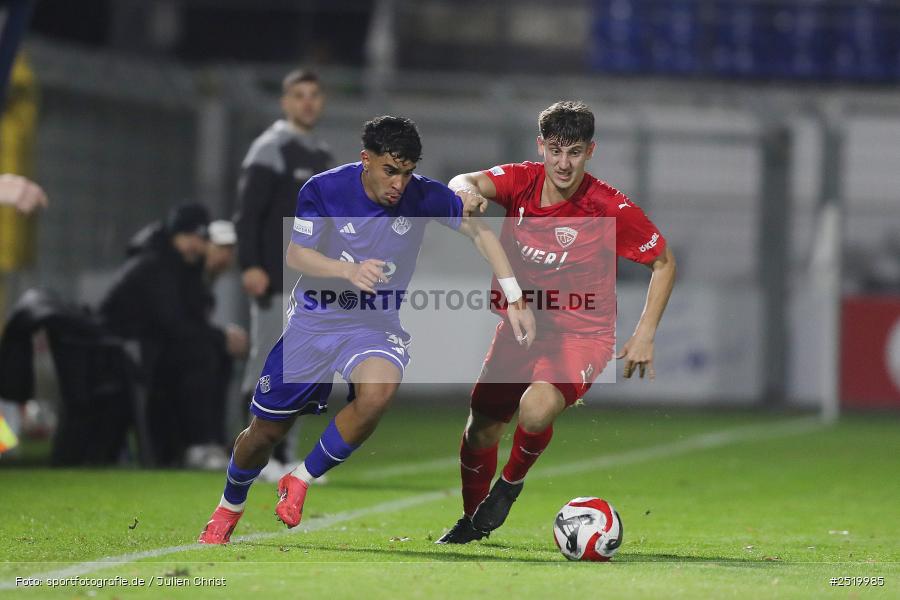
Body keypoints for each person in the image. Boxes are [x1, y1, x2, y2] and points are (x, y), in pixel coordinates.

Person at [198, 115, 535, 544]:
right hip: (315, 318)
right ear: (366, 160)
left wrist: (515, 296)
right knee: (264, 432)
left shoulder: (421, 195)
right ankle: (229, 507)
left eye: (407, 173)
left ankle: (300, 479)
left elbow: (482, 234)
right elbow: (297, 255)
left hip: (374, 323)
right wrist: (347, 270)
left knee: (378, 392)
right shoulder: (323, 189)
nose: (399, 184)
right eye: (389, 171)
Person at [435, 101, 677, 544]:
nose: (564, 164)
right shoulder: (521, 180)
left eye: (576, 153)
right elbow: (464, 180)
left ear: (591, 152)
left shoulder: (607, 205)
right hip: (521, 330)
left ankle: (509, 486)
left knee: (535, 407)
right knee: (479, 432)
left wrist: (644, 333)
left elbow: (663, 262)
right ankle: (473, 522)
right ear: (541, 146)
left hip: (582, 335)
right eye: (556, 151)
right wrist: (465, 191)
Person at [235, 69, 334, 472]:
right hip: (274, 277)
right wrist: (251, 264)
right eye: (299, 95)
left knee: (299, 369)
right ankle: (254, 456)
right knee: (264, 367)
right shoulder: (270, 148)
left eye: (314, 94)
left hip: (306, 282)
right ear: (286, 102)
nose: (307, 102)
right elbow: (249, 215)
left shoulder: (320, 155)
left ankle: (284, 455)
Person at [99, 204, 248, 466]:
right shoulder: (154, 265)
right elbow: (172, 324)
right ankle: (199, 444)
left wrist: (219, 338)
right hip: (123, 353)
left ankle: (212, 442)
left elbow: (189, 320)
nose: (194, 245)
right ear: (174, 235)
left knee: (213, 351)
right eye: (188, 237)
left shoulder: (182, 266)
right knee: (200, 354)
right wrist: (219, 337)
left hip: (151, 349)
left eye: (200, 239)